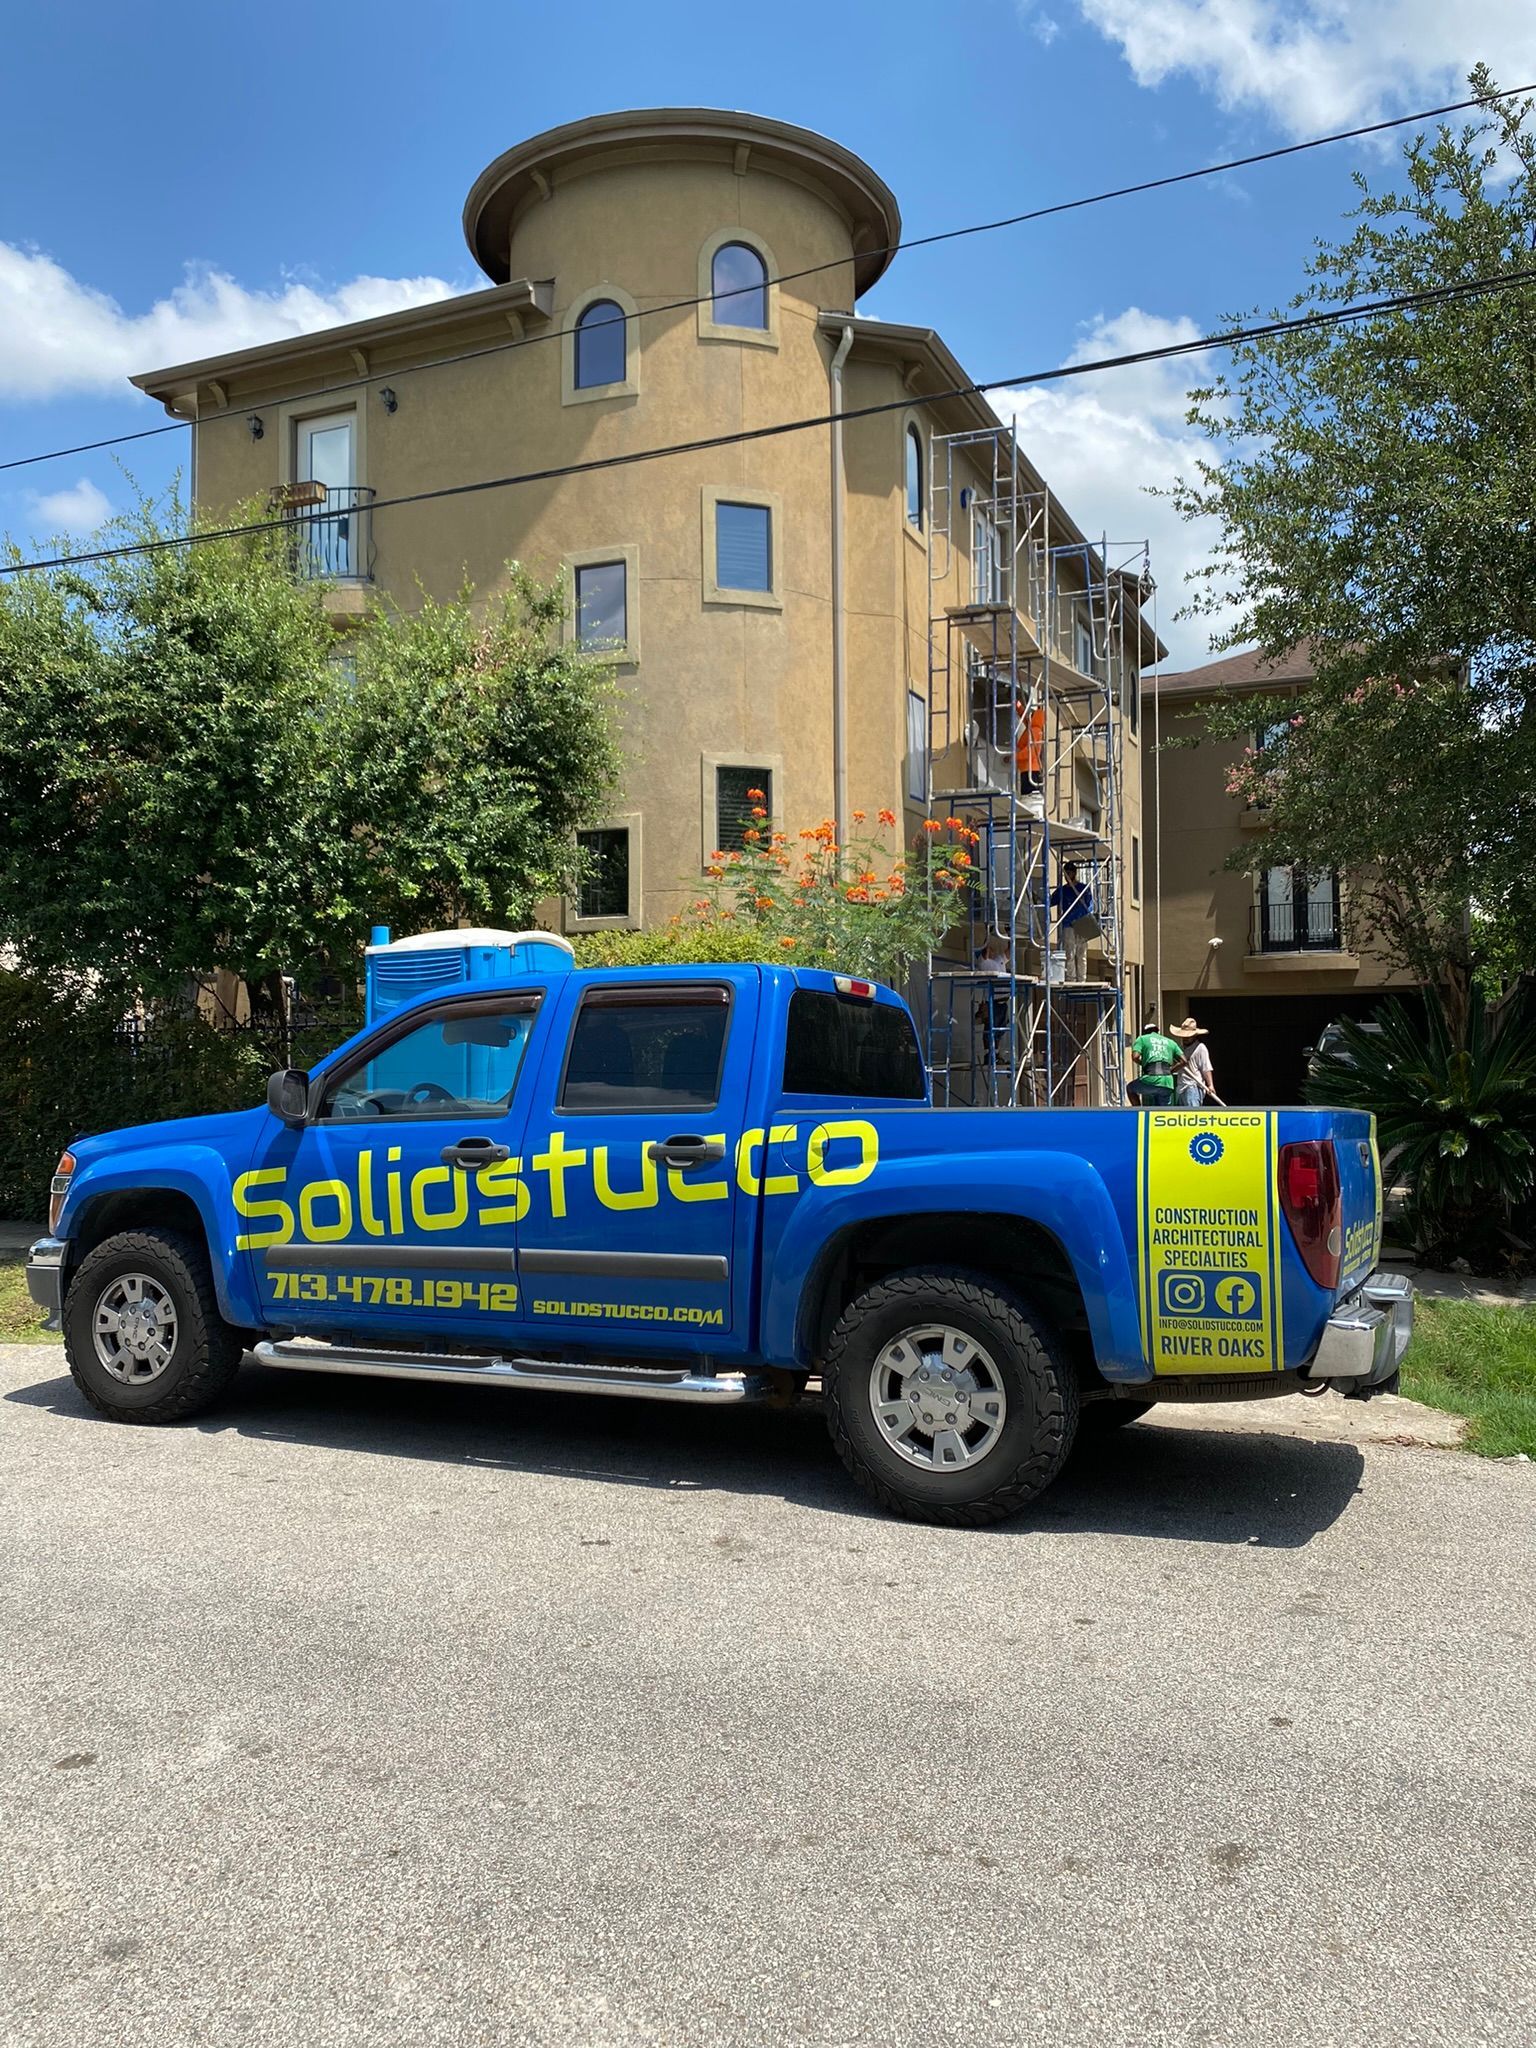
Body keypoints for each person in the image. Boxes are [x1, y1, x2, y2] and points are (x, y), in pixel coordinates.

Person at [1050, 861, 1095, 982]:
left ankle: (1082, 979)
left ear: (1074, 873)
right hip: (1068, 924)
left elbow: (1090, 906)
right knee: (1069, 953)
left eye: (1069, 873)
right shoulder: (1062, 890)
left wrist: (1087, 919)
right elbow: (1050, 901)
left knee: (1081, 954)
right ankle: (1071, 978)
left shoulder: (1083, 888)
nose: (1067, 876)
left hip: (1082, 922)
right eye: (1065, 873)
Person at [1128, 1012, 1181, 1107]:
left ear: (1145, 1032)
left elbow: (1135, 1056)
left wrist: (1143, 1064)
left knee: (1130, 1088)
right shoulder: (1170, 1042)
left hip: (1151, 1079)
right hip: (1167, 1082)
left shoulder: (1142, 1039)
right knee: (1161, 1111)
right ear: (1157, 1031)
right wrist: (1171, 1070)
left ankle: (1138, 1111)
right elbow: (1184, 1061)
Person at [1170, 1017, 1216, 1106]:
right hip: (1181, 1087)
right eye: (1184, 1036)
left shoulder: (1200, 1048)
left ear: (1194, 1035)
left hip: (1193, 1087)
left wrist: (1210, 1085)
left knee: (1192, 1115)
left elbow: (1206, 1068)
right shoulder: (1180, 1049)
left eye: (1188, 1036)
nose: (1185, 1038)